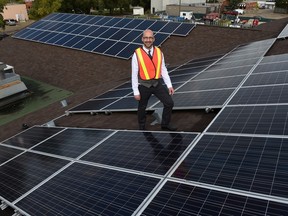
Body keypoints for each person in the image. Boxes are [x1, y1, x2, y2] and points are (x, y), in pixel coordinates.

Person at [131, 29, 177, 131]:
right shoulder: (137, 54)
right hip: (143, 85)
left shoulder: (159, 52)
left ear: (153, 39)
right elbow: (134, 74)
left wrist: (169, 85)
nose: (148, 40)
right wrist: (135, 91)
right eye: (146, 38)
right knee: (142, 107)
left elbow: (163, 69)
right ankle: (142, 126)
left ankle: (165, 124)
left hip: (156, 83)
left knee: (169, 103)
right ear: (142, 39)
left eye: (150, 38)